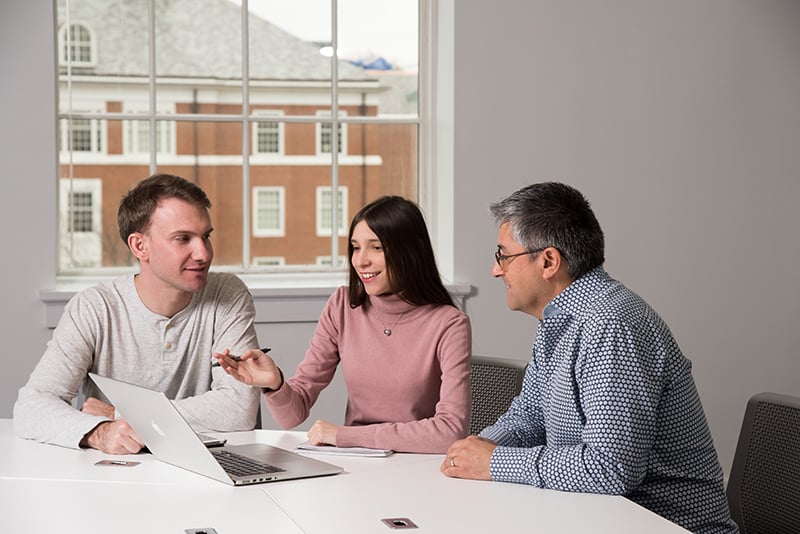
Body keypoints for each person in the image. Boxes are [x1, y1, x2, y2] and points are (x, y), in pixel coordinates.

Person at [441, 182, 738, 534]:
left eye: (503, 255)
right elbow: (529, 417)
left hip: (665, 526)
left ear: (549, 261)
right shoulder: (559, 319)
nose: (495, 270)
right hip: (596, 519)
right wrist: (475, 450)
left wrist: (496, 462)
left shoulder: (611, 326)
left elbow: (610, 468)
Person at [14, 173, 260, 454]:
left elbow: (239, 408)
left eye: (206, 236)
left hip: (203, 468)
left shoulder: (227, 294)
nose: (203, 253)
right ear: (140, 246)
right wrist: (99, 432)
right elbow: (31, 406)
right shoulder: (94, 307)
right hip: (114, 474)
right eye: (183, 239)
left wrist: (118, 415)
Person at [215, 195, 471, 453]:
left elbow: (450, 432)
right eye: (356, 247)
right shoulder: (342, 306)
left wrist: (347, 436)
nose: (361, 261)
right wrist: (275, 384)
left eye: (376, 247)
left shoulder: (450, 324)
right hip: (357, 466)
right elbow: (292, 415)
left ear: (411, 251)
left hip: (419, 466)